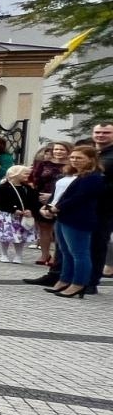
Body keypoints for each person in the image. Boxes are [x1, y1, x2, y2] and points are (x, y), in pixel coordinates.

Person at [39, 144, 106, 298]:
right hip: (64, 216)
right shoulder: (77, 175)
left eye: (79, 158)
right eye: (73, 157)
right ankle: (64, 279)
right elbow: (62, 195)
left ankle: (79, 283)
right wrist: (49, 206)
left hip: (79, 218)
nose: (75, 160)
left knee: (79, 253)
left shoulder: (94, 177)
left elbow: (80, 198)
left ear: (91, 159)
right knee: (65, 252)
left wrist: (57, 208)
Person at [28, 141, 69, 267]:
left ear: (68, 151)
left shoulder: (72, 165)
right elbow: (35, 179)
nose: (58, 152)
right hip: (42, 198)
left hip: (61, 199)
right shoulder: (44, 164)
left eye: (62, 149)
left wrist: (51, 197)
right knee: (44, 228)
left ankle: (56, 256)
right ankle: (45, 254)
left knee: (58, 230)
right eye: (56, 149)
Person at [0, 166, 39, 264]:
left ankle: (18, 255)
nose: (28, 175)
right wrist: (13, 210)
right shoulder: (3, 187)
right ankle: (3, 254)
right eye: (25, 173)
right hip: (7, 216)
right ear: (15, 174)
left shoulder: (27, 188)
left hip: (22, 217)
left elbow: (34, 201)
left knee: (20, 236)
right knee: (5, 236)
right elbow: (0, 202)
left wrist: (31, 210)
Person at [93, 122, 113, 292]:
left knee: (98, 243)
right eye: (98, 132)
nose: (101, 135)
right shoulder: (91, 151)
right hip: (86, 204)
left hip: (104, 205)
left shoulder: (110, 156)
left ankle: (91, 282)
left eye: (106, 132)